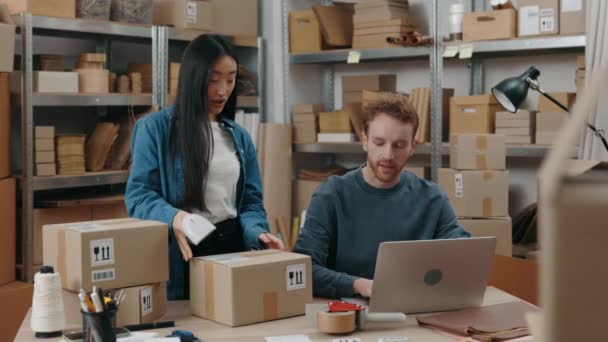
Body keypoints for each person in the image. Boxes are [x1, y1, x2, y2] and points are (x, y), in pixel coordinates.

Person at [126, 34, 284, 300]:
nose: (222, 90)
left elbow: (250, 203)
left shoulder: (239, 137)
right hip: (183, 254)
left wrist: (259, 233)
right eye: (213, 80)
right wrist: (176, 217)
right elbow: (139, 197)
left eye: (231, 79)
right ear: (194, 78)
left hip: (232, 250)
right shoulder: (155, 129)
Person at [293, 96, 470, 299]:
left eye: (399, 145)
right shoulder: (331, 194)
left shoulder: (432, 199)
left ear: (413, 146)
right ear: (365, 140)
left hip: (412, 311)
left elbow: (462, 253)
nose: (388, 154)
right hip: (347, 312)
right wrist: (357, 284)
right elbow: (303, 269)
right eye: (379, 142)